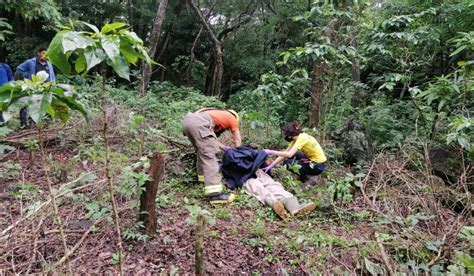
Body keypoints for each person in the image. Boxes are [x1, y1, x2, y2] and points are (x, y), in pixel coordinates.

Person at [182, 108, 241, 204]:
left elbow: (212, 141)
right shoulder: (231, 118)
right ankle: (215, 194)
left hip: (188, 121)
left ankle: (201, 179)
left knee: (202, 152)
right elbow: (237, 137)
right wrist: (239, 152)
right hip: (198, 123)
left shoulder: (214, 114)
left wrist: (225, 148)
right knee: (210, 155)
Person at [244, 169, 315, 219]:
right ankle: (275, 204)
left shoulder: (252, 152)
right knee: (256, 186)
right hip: (245, 176)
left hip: (259, 172)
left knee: (274, 186)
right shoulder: (233, 155)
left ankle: (294, 208)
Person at [15, 47, 56, 128]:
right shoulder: (31, 62)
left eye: (46, 54)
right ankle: (24, 123)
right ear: (38, 53)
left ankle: (38, 123)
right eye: (43, 53)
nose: (45, 55)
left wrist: (53, 85)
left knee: (41, 105)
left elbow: (52, 75)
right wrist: (27, 76)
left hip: (45, 88)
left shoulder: (49, 64)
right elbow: (19, 69)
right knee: (27, 104)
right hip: (33, 86)